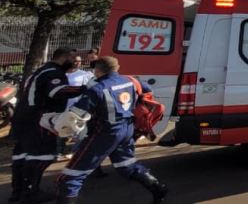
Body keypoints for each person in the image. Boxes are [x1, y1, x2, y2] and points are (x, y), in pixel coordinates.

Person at [53, 56, 167, 204]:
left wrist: (55, 123)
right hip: (127, 130)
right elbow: (147, 90)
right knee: (126, 166)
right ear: (117, 68)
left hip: (105, 133)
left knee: (71, 175)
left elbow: (75, 115)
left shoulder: (97, 88)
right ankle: (158, 188)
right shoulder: (131, 80)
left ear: (97, 70)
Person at [9, 47, 84, 203]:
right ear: (64, 58)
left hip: (24, 118)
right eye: (73, 59)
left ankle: (19, 192)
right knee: (42, 155)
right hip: (39, 120)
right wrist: (85, 88)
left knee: (22, 155)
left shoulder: (42, 70)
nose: (75, 63)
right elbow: (57, 91)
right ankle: (31, 192)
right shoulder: (53, 73)